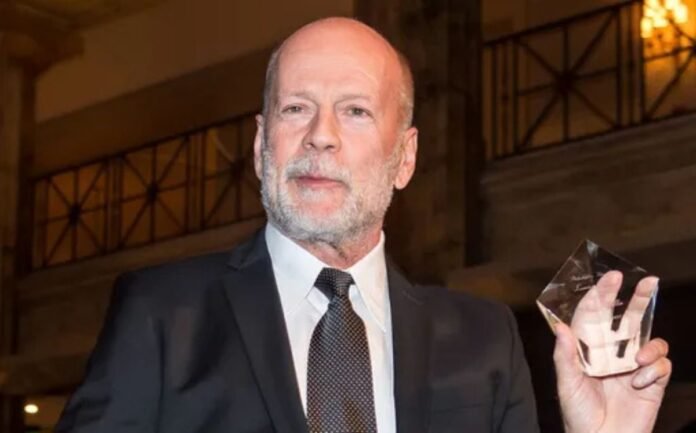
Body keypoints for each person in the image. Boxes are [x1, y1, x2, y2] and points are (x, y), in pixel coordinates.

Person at [55, 17, 671, 433]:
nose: (319, 135)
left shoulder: (483, 339)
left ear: (404, 158)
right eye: (296, 108)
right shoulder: (162, 314)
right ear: (262, 146)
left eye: (354, 111)